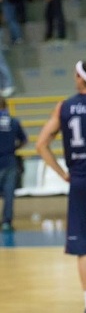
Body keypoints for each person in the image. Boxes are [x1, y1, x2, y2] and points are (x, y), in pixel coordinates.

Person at [35, 61, 86, 313]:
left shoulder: (64, 106)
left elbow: (41, 144)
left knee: (84, 247)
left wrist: (62, 173)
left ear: (82, 79)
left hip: (78, 180)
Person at [0, 96, 26, 232]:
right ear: (5, 106)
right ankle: (6, 223)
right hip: (9, 160)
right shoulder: (13, 121)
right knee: (9, 194)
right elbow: (24, 140)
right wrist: (13, 148)